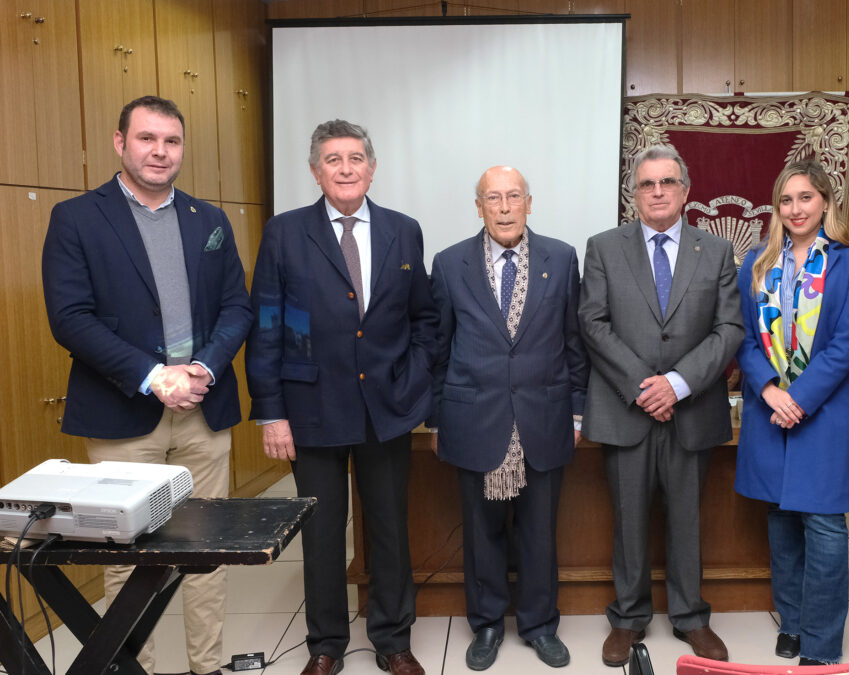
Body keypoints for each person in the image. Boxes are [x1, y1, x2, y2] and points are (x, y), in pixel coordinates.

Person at [41, 95, 252, 675]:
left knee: (207, 550)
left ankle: (206, 666)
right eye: (147, 139)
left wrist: (203, 368)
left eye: (172, 141)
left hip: (202, 410)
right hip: (121, 413)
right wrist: (152, 376)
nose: (160, 152)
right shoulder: (78, 218)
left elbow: (236, 305)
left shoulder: (208, 219)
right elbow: (71, 318)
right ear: (120, 143)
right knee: (125, 554)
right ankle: (136, 668)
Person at [245, 120, 438, 675]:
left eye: (356, 158)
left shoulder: (404, 230)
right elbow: (269, 326)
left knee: (388, 530)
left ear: (372, 168)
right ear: (315, 171)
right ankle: (326, 644)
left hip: (388, 408)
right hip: (312, 409)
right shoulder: (286, 232)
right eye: (334, 160)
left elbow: (423, 317)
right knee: (323, 535)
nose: (347, 168)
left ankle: (392, 639)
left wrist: (416, 377)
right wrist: (272, 411)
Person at [578, 145, 744, 666]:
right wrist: (646, 385)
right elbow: (593, 322)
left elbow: (729, 329)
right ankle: (628, 618)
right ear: (634, 193)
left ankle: (691, 617)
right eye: (647, 184)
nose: (657, 192)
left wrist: (676, 384)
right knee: (628, 520)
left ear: (685, 191)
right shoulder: (604, 247)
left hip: (691, 409)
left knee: (687, 519)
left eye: (667, 182)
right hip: (626, 407)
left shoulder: (714, 251)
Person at [427, 166, 589, 670]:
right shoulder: (450, 262)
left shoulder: (560, 258)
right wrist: (436, 419)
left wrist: (578, 410)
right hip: (474, 418)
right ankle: (488, 624)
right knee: (482, 532)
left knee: (540, 532)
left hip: (544, 417)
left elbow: (574, 343)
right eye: (492, 198)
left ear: (529, 203)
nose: (503, 207)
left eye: (512, 196)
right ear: (478, 207)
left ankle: (540, 626)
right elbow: (438, 347)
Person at [733, 159, 849, 666]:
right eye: (786, 200)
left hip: (828, 410)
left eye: (806, 198)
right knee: (780, 517)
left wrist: (799, 400)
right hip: (768, 408)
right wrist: (771, 391)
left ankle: (820, 643)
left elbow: (846, 343)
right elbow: (744, 339)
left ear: (825, 202)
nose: (796, 209)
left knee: (824, 523)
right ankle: (791, 622)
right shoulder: (756, 263)